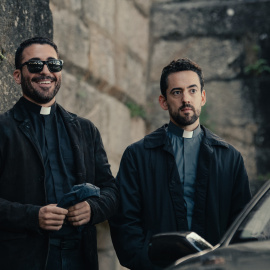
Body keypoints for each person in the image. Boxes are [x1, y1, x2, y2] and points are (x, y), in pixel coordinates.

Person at [109, 58, 251, 270]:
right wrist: (147, 262)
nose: (186, 99)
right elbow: (124, 222)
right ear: (163, 101)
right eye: (177, 92)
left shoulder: (230, 158)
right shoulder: (137, 155)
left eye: (192, 91)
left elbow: (242, 225)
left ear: (202, 97)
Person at [0, 37, 118, 270]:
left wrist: (92, 209)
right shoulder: (3, 129)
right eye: (35, 65)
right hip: (23, 260)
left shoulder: (86, 129)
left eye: (53, 64)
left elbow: (111, 191)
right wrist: (32, 216)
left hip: (80, 258)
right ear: (17, 76)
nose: (46, 71)